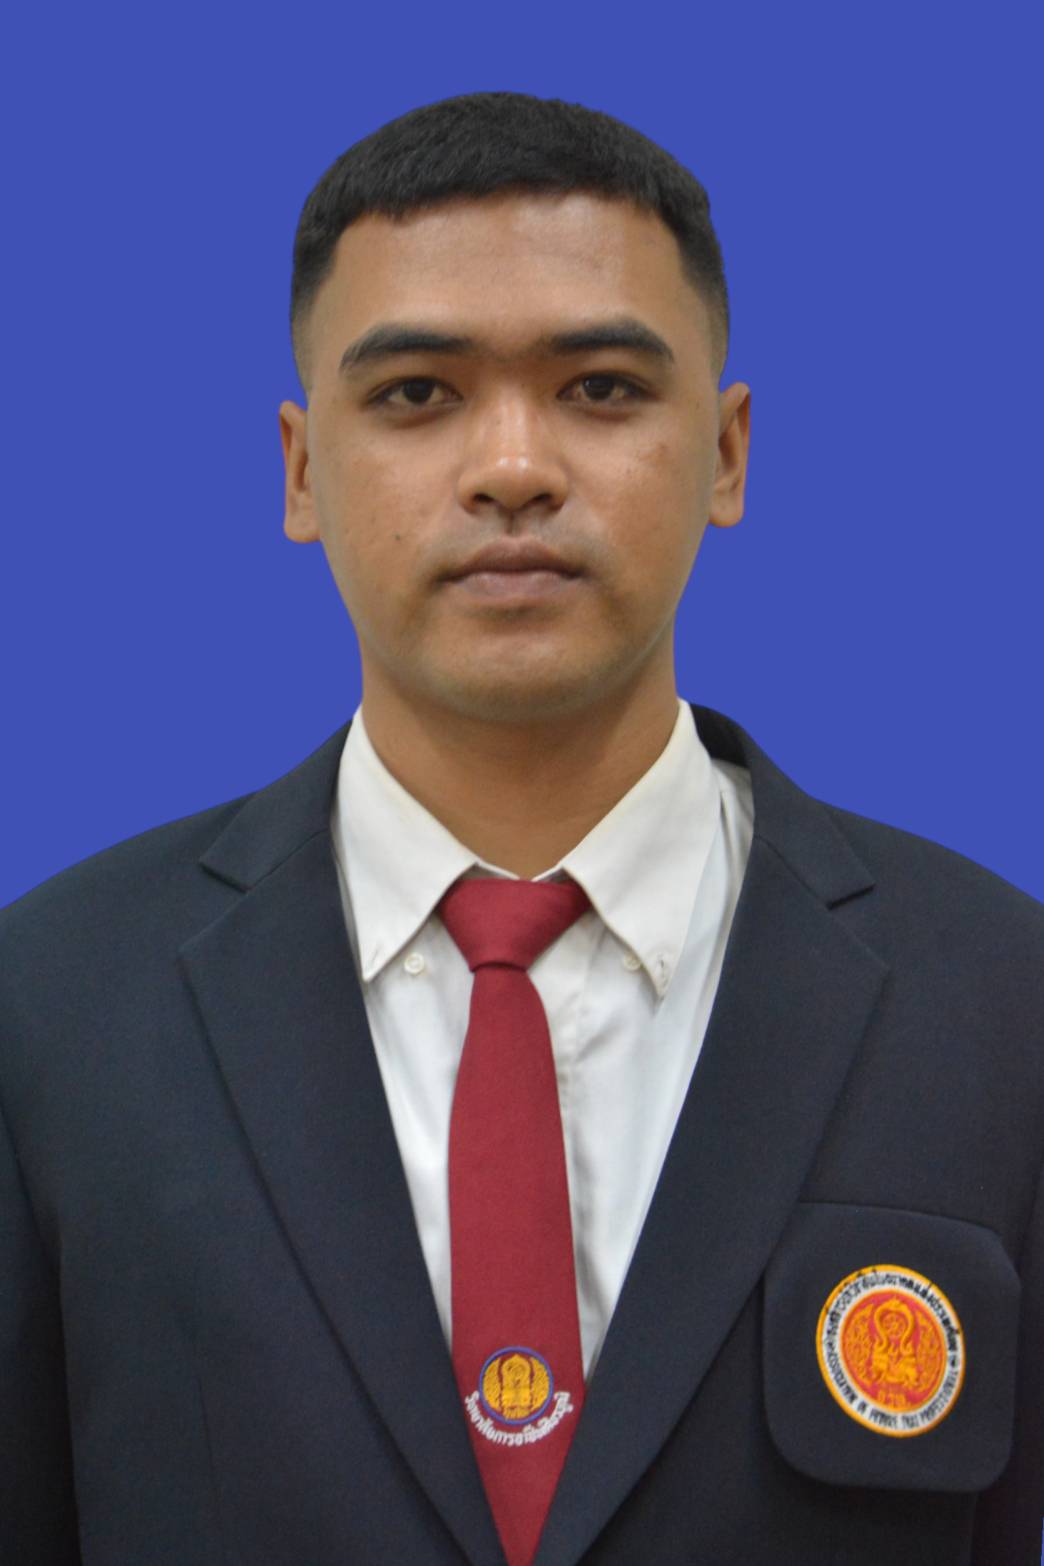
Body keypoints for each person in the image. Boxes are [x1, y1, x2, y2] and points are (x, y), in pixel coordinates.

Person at [1, 90, 1041, 1566]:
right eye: (416, 393)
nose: (511, 466)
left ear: (728, 453)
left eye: (601, 388)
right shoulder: (49, 1009)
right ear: (299, 470)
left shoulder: (1002, 999)